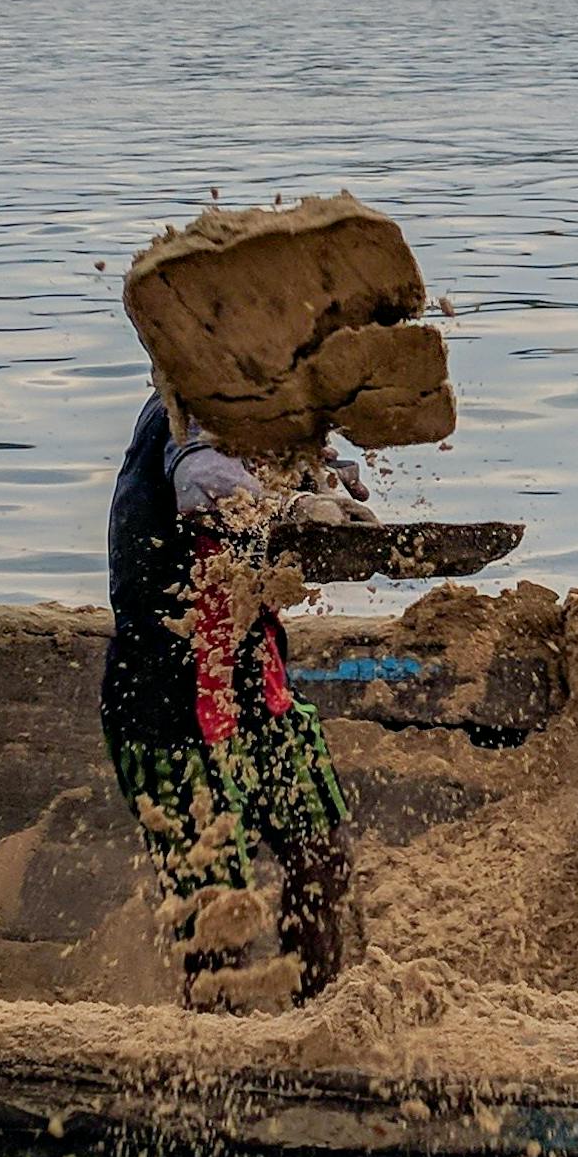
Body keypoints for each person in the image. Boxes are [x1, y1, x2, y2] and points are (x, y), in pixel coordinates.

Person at [99, 394, 366, 1006]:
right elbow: (204, 481)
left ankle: (322, 1020)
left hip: (257, 689)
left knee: (321, 859)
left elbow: (274, 477)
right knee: (221, 919)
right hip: (170, 707)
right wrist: (295, 506)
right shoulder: (190, 407)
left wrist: (323, 482)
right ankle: (217, 1055)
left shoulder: (267, 407)